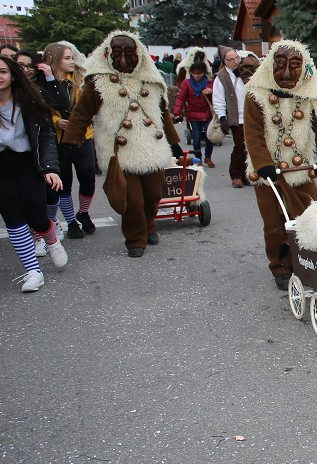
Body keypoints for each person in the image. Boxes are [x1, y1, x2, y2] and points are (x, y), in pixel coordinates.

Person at [62, 31, 184, 258]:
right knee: (132, 199)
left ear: (139, 54)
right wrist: (72, 140)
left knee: (153, 195)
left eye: (129, 53)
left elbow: (163, 113)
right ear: (108, 54)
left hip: (153, 148)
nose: (124, 60)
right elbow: (81, 113)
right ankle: (135, 239)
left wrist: (174, 143)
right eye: (117, 53)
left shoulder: (152, 80)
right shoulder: (98, 82)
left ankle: (150, 226)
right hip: (120, 151)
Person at [243, 39, 317, 290]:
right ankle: (280, 267)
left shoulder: (312, 93)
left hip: (302, 170)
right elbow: (253, 133)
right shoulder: (255, 95)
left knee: (309, 218)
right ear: (270, 66)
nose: (286, 73)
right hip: (268, 173)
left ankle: (307, 263)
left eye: (294, 65)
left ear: (303, 67)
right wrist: (263, 164)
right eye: (280, 65)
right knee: (275, 224)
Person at [0, 54, 68, 291]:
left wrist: (50, 169)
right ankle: (33, 271)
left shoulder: (28, 100)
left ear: (12, 75)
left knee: (36, 215)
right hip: (2, 166)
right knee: (13, 218)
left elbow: (47, 136)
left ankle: (50, 237)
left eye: (3, 71)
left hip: (29, 162)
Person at [43, 42, 96, 238]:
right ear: (54, 59)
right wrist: (57, 122)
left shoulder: (80, 78)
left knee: (88, 176)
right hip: (58, 139)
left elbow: (90, 105)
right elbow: (42, 110)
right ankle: (71, 222)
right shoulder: (44, 83)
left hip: (83, 136)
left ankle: (83, 213)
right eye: (67, 58)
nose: (72, 61)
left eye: (72, 57)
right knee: (64, 182)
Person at [214, 47, 247, 187]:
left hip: (250, 116)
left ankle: (247, 174)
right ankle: (235, 174)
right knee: (240, 146)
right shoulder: (221, 77)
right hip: (236, 118)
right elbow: (218, 100)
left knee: (251, 147)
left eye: (236, 58)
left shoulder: (246, 72)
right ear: (224, 61)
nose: (235, 62)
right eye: (231, 60)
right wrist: (222, 118)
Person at [173, 61, 215, 167]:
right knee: (196, 137)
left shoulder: (210, 83)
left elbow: (219, 96)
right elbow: (181, 98)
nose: (196, 76)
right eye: (194, 73)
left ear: (204, 73)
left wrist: (212, 92)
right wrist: (176, 113)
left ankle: (208, 157)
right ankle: (198, 158)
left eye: (199, 73)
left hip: (207, 113)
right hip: (193, 114)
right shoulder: (186, 83)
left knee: (209, 136)